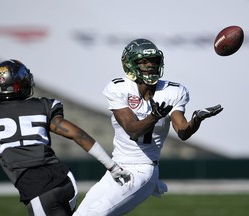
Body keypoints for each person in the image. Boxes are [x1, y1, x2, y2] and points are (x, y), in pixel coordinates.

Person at [0, 59, 132, 216]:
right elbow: (78, 134)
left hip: (38, 189)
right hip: (65, 180)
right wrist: (112, 166)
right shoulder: (42, 106)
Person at [73, 38, 223, 215]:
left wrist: (196, 120)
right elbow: (132, 130)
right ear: (129, 64)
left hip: (143, 170)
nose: (150, 66)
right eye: (143, 61)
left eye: (153, 61)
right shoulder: (118, 88)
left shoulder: (172, 91)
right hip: (118, 167)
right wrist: (154, 117)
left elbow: (182, 131)